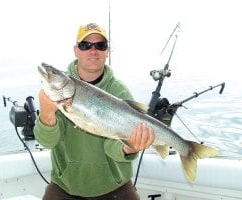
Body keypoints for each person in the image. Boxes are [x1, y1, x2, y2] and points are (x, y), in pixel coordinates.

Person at [34, 22, 155, 200]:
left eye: (100, 45)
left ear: (107, 51)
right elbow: (48, 142)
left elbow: (112, 145)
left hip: (115, 187)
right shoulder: (56, 96)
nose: (93, 50)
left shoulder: (119, 91)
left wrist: (129, 147)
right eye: (85, 45)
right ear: (76, 50)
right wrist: (46, 114)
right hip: (66, 186)